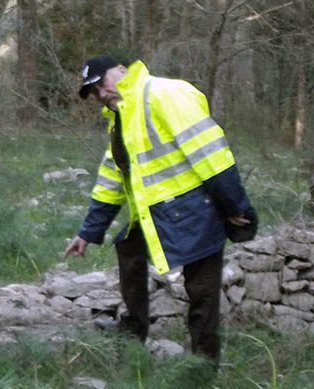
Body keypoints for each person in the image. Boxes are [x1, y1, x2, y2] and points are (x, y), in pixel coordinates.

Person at [63, 55, 257, 366]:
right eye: (94, 92)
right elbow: (112, 177)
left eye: (102, 84)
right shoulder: (122, 117)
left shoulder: (165, 94)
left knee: (202, 294)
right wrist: (88, 232)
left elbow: (211, 155)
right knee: (128, 249)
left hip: (197, 213)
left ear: (123, 71)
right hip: (158, 214)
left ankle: (202, 368)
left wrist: (236, 206)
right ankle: (132, 330)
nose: (101, 93)